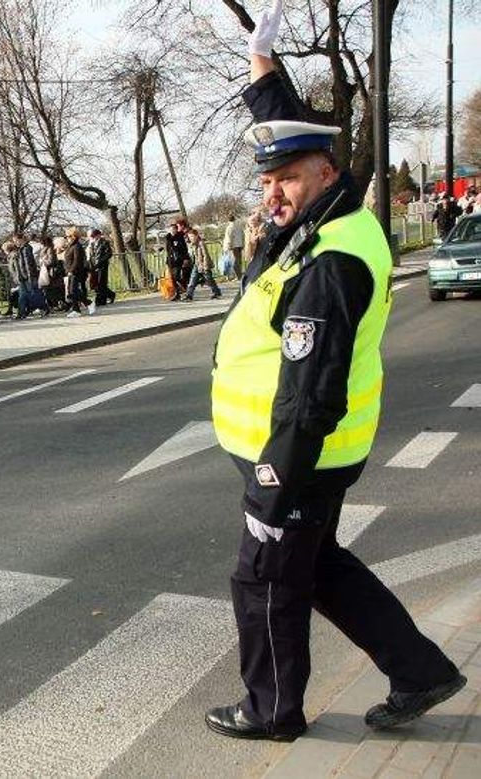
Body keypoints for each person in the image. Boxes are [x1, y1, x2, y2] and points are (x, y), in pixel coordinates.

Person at [204, 1, 466, 742]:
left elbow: (309, 388)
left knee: (264, 580)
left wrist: (273, 479)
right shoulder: (326, 216)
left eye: (286, 180)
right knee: (315, 569)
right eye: (266, 182)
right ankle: (419, 670)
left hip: (295, 457)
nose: (272, 195)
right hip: (306, 455)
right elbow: (287, 132)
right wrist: (262, 70)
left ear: (326, 173)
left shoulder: (336, 257)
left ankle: (272, 709)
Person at [181, 227, 222, 301]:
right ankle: (189, 295)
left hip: (203, 265)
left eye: (192, 236)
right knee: (192, 280)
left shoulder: (201, 243)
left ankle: (216, 292)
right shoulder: (192, 245)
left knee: (209, 280)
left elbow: (205, 255)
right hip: (197, 265)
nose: (191, 238)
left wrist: (205, 266)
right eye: (190, 237)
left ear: (196, 236)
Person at [87, 229, 117, 309]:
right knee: (96, 283)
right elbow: (91, 255)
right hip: (94, 266)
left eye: (94, 236)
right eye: (92, 236)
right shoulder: (92, 244)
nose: (93, 238)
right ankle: (109, 295)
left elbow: (109, 253)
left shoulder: (104, 242)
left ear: (98, 235)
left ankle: (101, 300)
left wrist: (101, 261)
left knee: (101, 283)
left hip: (102, 266)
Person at [62, 227, 88, 316]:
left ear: (73, 236)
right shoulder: (70, 246)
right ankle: (82, 306)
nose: (66, 238)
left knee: (72, 291)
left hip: (75, 272)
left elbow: (77, 261)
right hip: (69, 271)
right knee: (73, 291)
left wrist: (71, 270)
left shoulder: (77, 246)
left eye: (68, 236)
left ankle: (78, 309)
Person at [164, 221, 191, 302]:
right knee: (172, 278)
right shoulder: (167, 238)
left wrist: (185, 258)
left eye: (174, 229)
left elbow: (184, 249)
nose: (173, 231)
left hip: (179, 260)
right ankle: (177, 294)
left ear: (176, 229)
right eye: (171, 229)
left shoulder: (180, 237)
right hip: (170, 261)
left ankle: (183, 291)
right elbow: (168, 250)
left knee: (177, 277)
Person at [224, 214, 246, 279]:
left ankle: (239, 276)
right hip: (239, 245)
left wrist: (228, 246)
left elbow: (229, 238)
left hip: (233, 246)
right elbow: (242, 235)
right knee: (239, 261)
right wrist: (242, 244)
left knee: (234, 262)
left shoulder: (229, 227)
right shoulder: (239, 226)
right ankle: (240, 274)